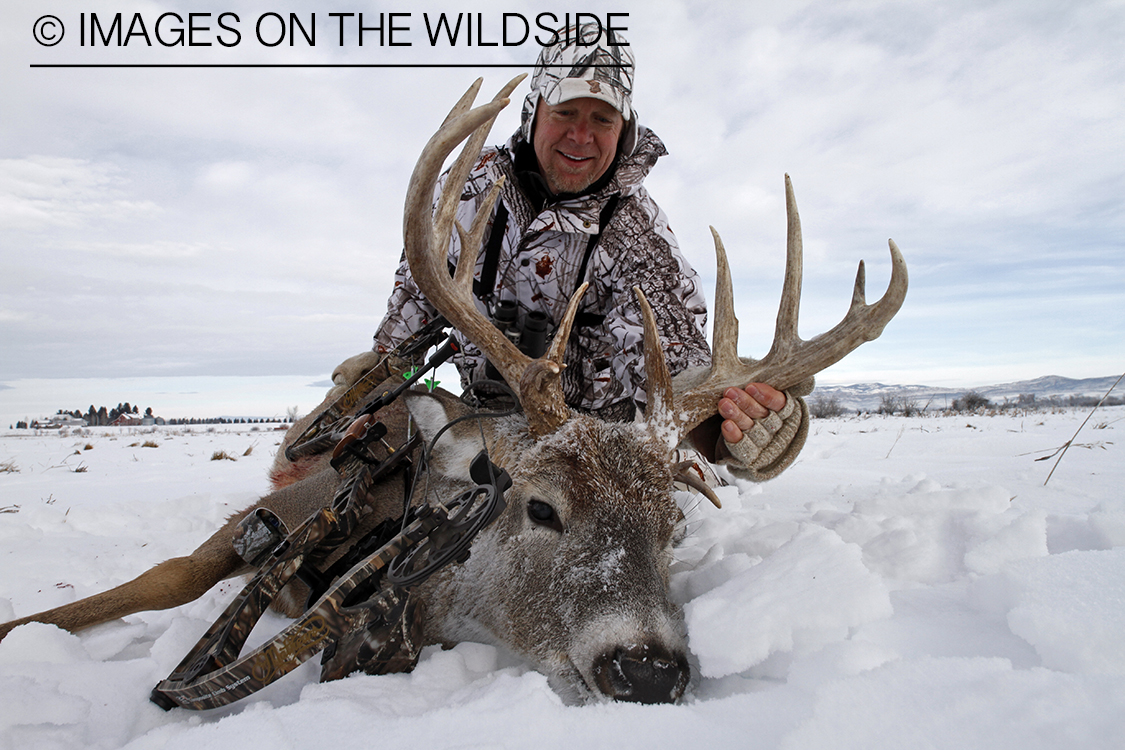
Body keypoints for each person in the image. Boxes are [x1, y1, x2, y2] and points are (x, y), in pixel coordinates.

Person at [350, 24, 810, 482]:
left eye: (602, 120)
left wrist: (731, 430)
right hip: (484, 421)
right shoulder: (470, 185)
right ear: (534, 112)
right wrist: (379, 377)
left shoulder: (637, 234)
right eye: (566, 112)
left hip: (593, 451)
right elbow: (420, 292)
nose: (581, 135)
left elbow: (670, 354)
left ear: (624, 130)